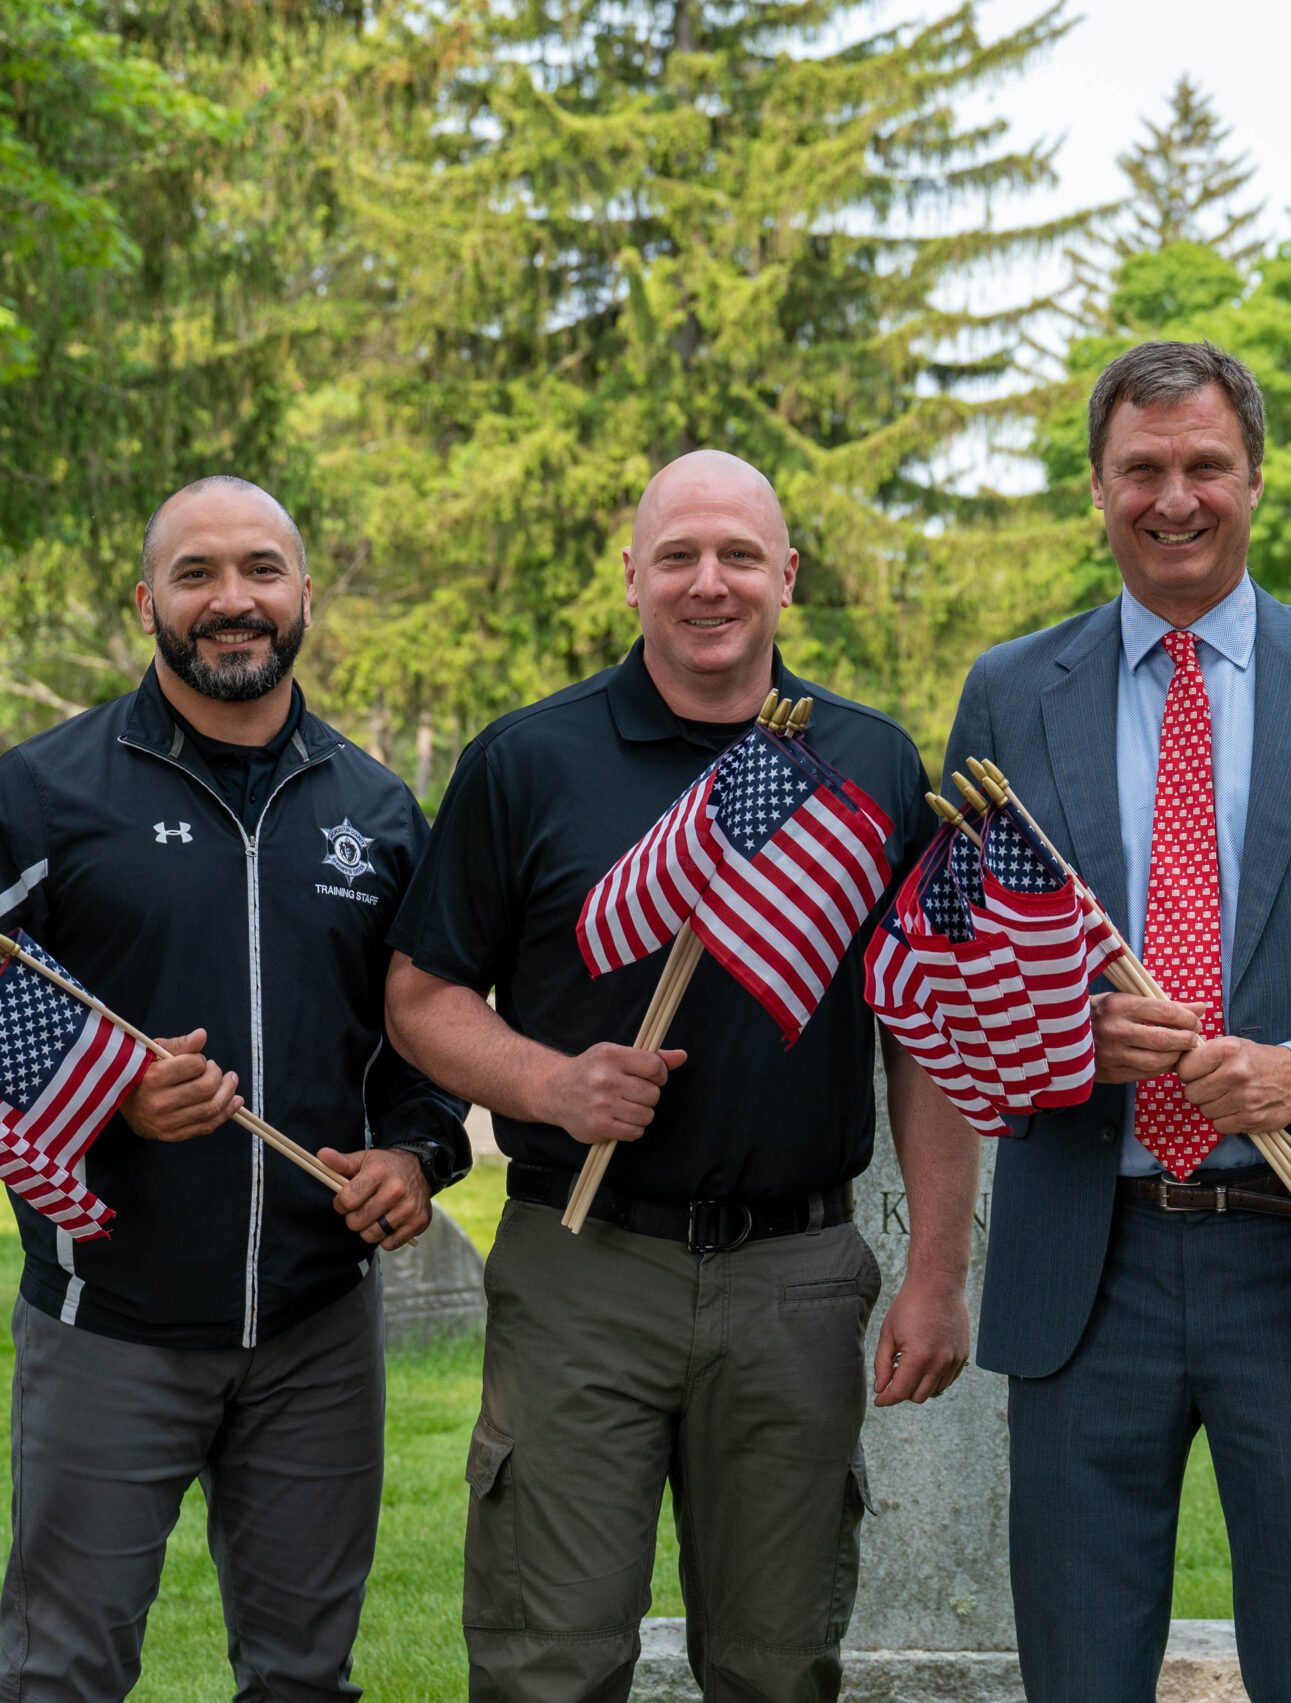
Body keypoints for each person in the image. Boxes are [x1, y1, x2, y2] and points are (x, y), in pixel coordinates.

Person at [938, 341, 1291, 1702]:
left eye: (1204, 466)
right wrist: (1074, 1028)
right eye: (1143, 468)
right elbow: (952, 967)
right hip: (1091, 1258)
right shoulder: (1014, 691)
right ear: (1099, 486)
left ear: (1254, 477)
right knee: (1078, 1669)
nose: (1173, 497)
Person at [381, 449, 981, 1703]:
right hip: (582, 1263)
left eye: (740, 556)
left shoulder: (868, 766)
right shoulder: (527, 760)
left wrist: (934, 1271)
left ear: (787, 575)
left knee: (777, 1666)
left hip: (796, 1282)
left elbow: (921, 1036)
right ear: (632, 576)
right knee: (550, 1662)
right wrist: (549, 1086)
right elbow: (422, 999)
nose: (710, 584)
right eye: (679, 557)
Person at [0, 475, 471, 1703]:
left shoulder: (375, 808)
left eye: (260, 569)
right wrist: (103, 1095)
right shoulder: (51, 789)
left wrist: (417, 1154)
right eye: (196, 574)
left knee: (305, 1682)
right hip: (110, 1320)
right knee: (62, 1674)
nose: (232, 600)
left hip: (318, 1329)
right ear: (145, 601)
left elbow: (424, 1032)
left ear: (305, 595)